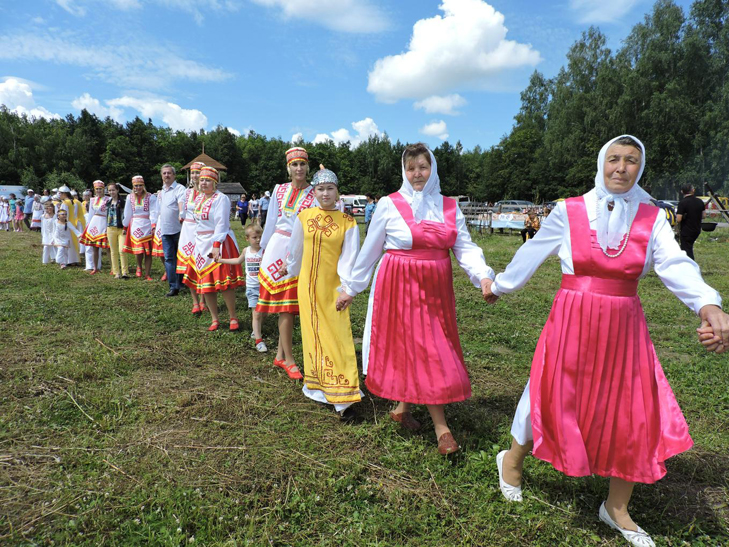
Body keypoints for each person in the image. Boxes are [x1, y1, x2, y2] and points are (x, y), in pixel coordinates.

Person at [486, 135, 728, 547]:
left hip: (623, 327)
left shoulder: (652, 219)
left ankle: (616, 508)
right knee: (548, 392)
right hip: (572, 319)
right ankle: (511, 461)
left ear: (641, 168)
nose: (621, 167)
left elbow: (674, 263)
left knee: (632, 408)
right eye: (614, 159)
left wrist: (708, 304)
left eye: (631, 161)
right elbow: (532, 253)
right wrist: (501, 286)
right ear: (601, 164)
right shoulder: (568, 210)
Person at [338, 143, 495, 454]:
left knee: (425, 345)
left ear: (432, 168)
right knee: (426, 347)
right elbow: (371, 249)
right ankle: (442, 428)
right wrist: (351, 287)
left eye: (422, 167)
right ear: (404, 171)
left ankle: (402, 408)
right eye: (411, 168)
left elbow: (464, 247)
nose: (417, 174)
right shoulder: (389, 204)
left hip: (435, 289)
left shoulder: (449, 207)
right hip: (399, 285)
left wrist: (484, 277)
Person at [285, 169, 361, 420]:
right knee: (312, 334)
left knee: (336, 336)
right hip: (307, 288)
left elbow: (350, 259)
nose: (325, 193)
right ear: (313, 192)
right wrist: (289, 271)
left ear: (337, 191)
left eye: (330, 188)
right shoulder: (304, 217)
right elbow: (295, 250)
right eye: (320, 189)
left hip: (333, 290)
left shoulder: (347, 222)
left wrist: (347, 289)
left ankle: (343, 397)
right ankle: (317, 386)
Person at [257, 147, 317, 380]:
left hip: (301, 248)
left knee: (291, 305)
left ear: (307, 167)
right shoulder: (279, 190)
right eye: (294, 165)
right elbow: (271, 219)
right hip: (277, 246)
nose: (299, 168)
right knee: (285, 305)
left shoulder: (315, 192)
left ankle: (282, 355)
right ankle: (288, 359)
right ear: (288, 168)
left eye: (302, 164)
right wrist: (262, 249)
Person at [182, 166, 244, 331]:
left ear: (215, 182)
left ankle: (232, 317)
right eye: (202, 180)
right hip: (201, 243)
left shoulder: (220, 198)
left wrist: (216, 245)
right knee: (206, 283)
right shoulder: (198, 199)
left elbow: (221, 224)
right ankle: (214, 319)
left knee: (224, 283)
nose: (203, 183)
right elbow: (197, 223)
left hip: (219, 241)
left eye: (207, 180)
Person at [216, 223, 267, 351]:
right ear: (247, 239)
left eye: (260, 236)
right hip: (252, 288)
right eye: (254, 237)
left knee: (264, 313)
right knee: (256, 314)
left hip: (264, 287)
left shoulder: (265, 251)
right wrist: (221, 260)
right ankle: (258, 340)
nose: (258, 240)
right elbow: (237, 261)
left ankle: (257, 329)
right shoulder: (246, 251)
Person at [177, 162, 205, 314]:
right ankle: (195, 301)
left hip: (202, 231)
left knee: (202, 265)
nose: (195, 176)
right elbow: (182, 211)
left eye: (198, 172)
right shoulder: (186, 192)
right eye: (193, 173)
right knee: (188, 267)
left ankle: (203, 299)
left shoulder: (208, 192)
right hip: (188, 230)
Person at [157, 164, 187, 297]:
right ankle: (173, 286)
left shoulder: (180, 189)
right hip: (165, 230)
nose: (166, 175)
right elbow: (158, 211)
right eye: (164, 173)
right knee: (169, 258)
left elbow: (181, 202)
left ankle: (182, 282)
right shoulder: (161, 192)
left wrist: (181, 214)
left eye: (169, 173)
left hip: (179, 229)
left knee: (180, 258)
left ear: (174, 175)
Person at [122, 175, 158, 281]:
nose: (138, 188)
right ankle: (139, 266)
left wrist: (153, 225)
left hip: (147, 224)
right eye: (136, 186)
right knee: (138, 250)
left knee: (148, 251)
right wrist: (125, 226)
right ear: (133, 186)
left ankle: (147, 273)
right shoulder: (130, 197)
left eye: (140, 185)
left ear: (143, 186)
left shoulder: (150, 197)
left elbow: (153, 211)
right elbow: (127, 212)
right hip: (135, 225)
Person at [79, 181, 110, 274]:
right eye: (97, 189)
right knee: (94, 247)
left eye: (100, 189)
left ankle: (113, 267)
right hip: (94, 222)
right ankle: (95, 267)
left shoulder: (108, 199)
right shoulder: (92, 200)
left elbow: (109, 212)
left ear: (103, 189)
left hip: (104, 221)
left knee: (108, 247)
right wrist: (88, 225)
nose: (99, 191)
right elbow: (91, 214)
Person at [676, 183, 706, 261]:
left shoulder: (682, 203)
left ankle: (690, 266)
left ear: (682, 192)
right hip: (696, 229)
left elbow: (678, 219)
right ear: (693, 190)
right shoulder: (700, 201)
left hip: (686, 230)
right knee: (689, 247)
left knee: (686, 250)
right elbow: (704, 216)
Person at [105, 182, 129, 279]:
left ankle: (125, 272)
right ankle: (116, 272)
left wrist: (125, 227)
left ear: (117, 190)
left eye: (113, 190)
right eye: (109, 190)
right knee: (113, 251)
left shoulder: (123, 202)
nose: (111, 192)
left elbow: (126, 215)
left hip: (121, 228)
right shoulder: (108, 203)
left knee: (122, 250)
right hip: (110, 228)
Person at [58, 186, 83, 264]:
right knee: (72, 241)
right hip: (71, 222)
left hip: (67, 223)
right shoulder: (71, 201)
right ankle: (74, 260)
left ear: (64, 194)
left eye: (60, 193)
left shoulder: (65, 203)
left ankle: (69, 260)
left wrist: (63, 222)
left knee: (67, 242)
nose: (59, 195)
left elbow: (64, 214)